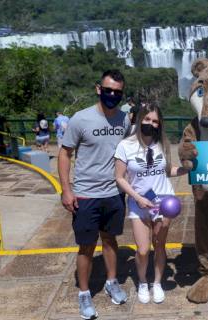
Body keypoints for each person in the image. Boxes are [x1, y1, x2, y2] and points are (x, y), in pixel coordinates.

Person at [58, 69, 131, 319]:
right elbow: (64, 154)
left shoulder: (124, 120)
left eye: (117, 92)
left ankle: (112, 282)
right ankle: (84, 294)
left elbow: (128, 154)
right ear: (98, 89)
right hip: (86, 194)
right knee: (86, 246)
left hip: (114, 193)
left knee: (110, 240)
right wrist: (67, 190)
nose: (112, 95)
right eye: (108, 90)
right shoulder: (81, 119)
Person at [114, 103, 187, 304]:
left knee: (160, 244)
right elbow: (119, 177)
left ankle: (157, 282)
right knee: (143, 249)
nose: (151, 124)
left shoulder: (162, 144)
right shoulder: (125, 145)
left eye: (155, 121)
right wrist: (137, 198)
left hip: (164, 202)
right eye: (147, 119)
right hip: (140, 203)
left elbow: (168, 170)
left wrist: (185, 170)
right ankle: (143, 282)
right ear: (139, 120)